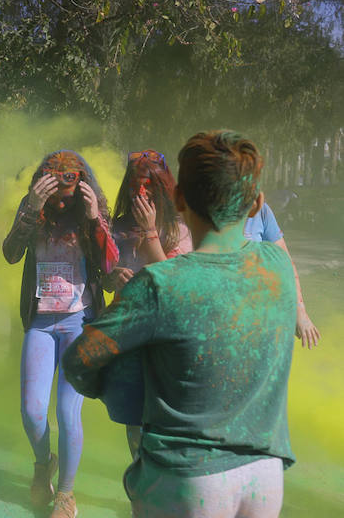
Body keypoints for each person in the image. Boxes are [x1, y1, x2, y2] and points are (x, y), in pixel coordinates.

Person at [64, 131, 296, 518]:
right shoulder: (278, 269)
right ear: (257, 205)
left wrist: (121, 390)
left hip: (184, 479)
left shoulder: (158, 285)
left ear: (179, 199)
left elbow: (79, 361)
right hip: (265, 476)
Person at [2, 150, 118, 517]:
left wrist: (95, 218)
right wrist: (31, 209)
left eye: (71, 177)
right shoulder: (33, 206)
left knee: (68, 413)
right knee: (32, 411)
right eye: (55, 176)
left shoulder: (92, 206)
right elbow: (10, 253)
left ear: (82, 179)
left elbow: (110, 264)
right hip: (40, 321)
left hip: (78, 322)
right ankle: (43, 462)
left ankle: (65, 494)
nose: (63, 185)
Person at [102, 149, 192, 458]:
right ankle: (143, 493)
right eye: (135, 186)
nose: (141, 193)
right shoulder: (119, 226)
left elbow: (172, 282)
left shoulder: (179, 228)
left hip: (166, 338)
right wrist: (113, 278)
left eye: (148, 185)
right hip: (129, 336)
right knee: (135, 422)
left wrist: (152, 231)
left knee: (167, 419)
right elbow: (102, 276)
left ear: (163, 187)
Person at [244, 201, 320, 348]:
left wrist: (299, 310)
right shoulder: (197, 207)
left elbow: (284, 263)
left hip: (258, 313)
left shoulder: (261, 209)